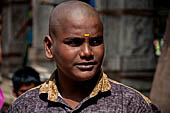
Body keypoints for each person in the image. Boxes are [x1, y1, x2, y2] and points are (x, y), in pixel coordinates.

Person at [8, 1, 160, 112]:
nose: (87, 52)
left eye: (95, 41)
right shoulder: (26, 106)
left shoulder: (130, 104)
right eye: (74, 42)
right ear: (49, 47)